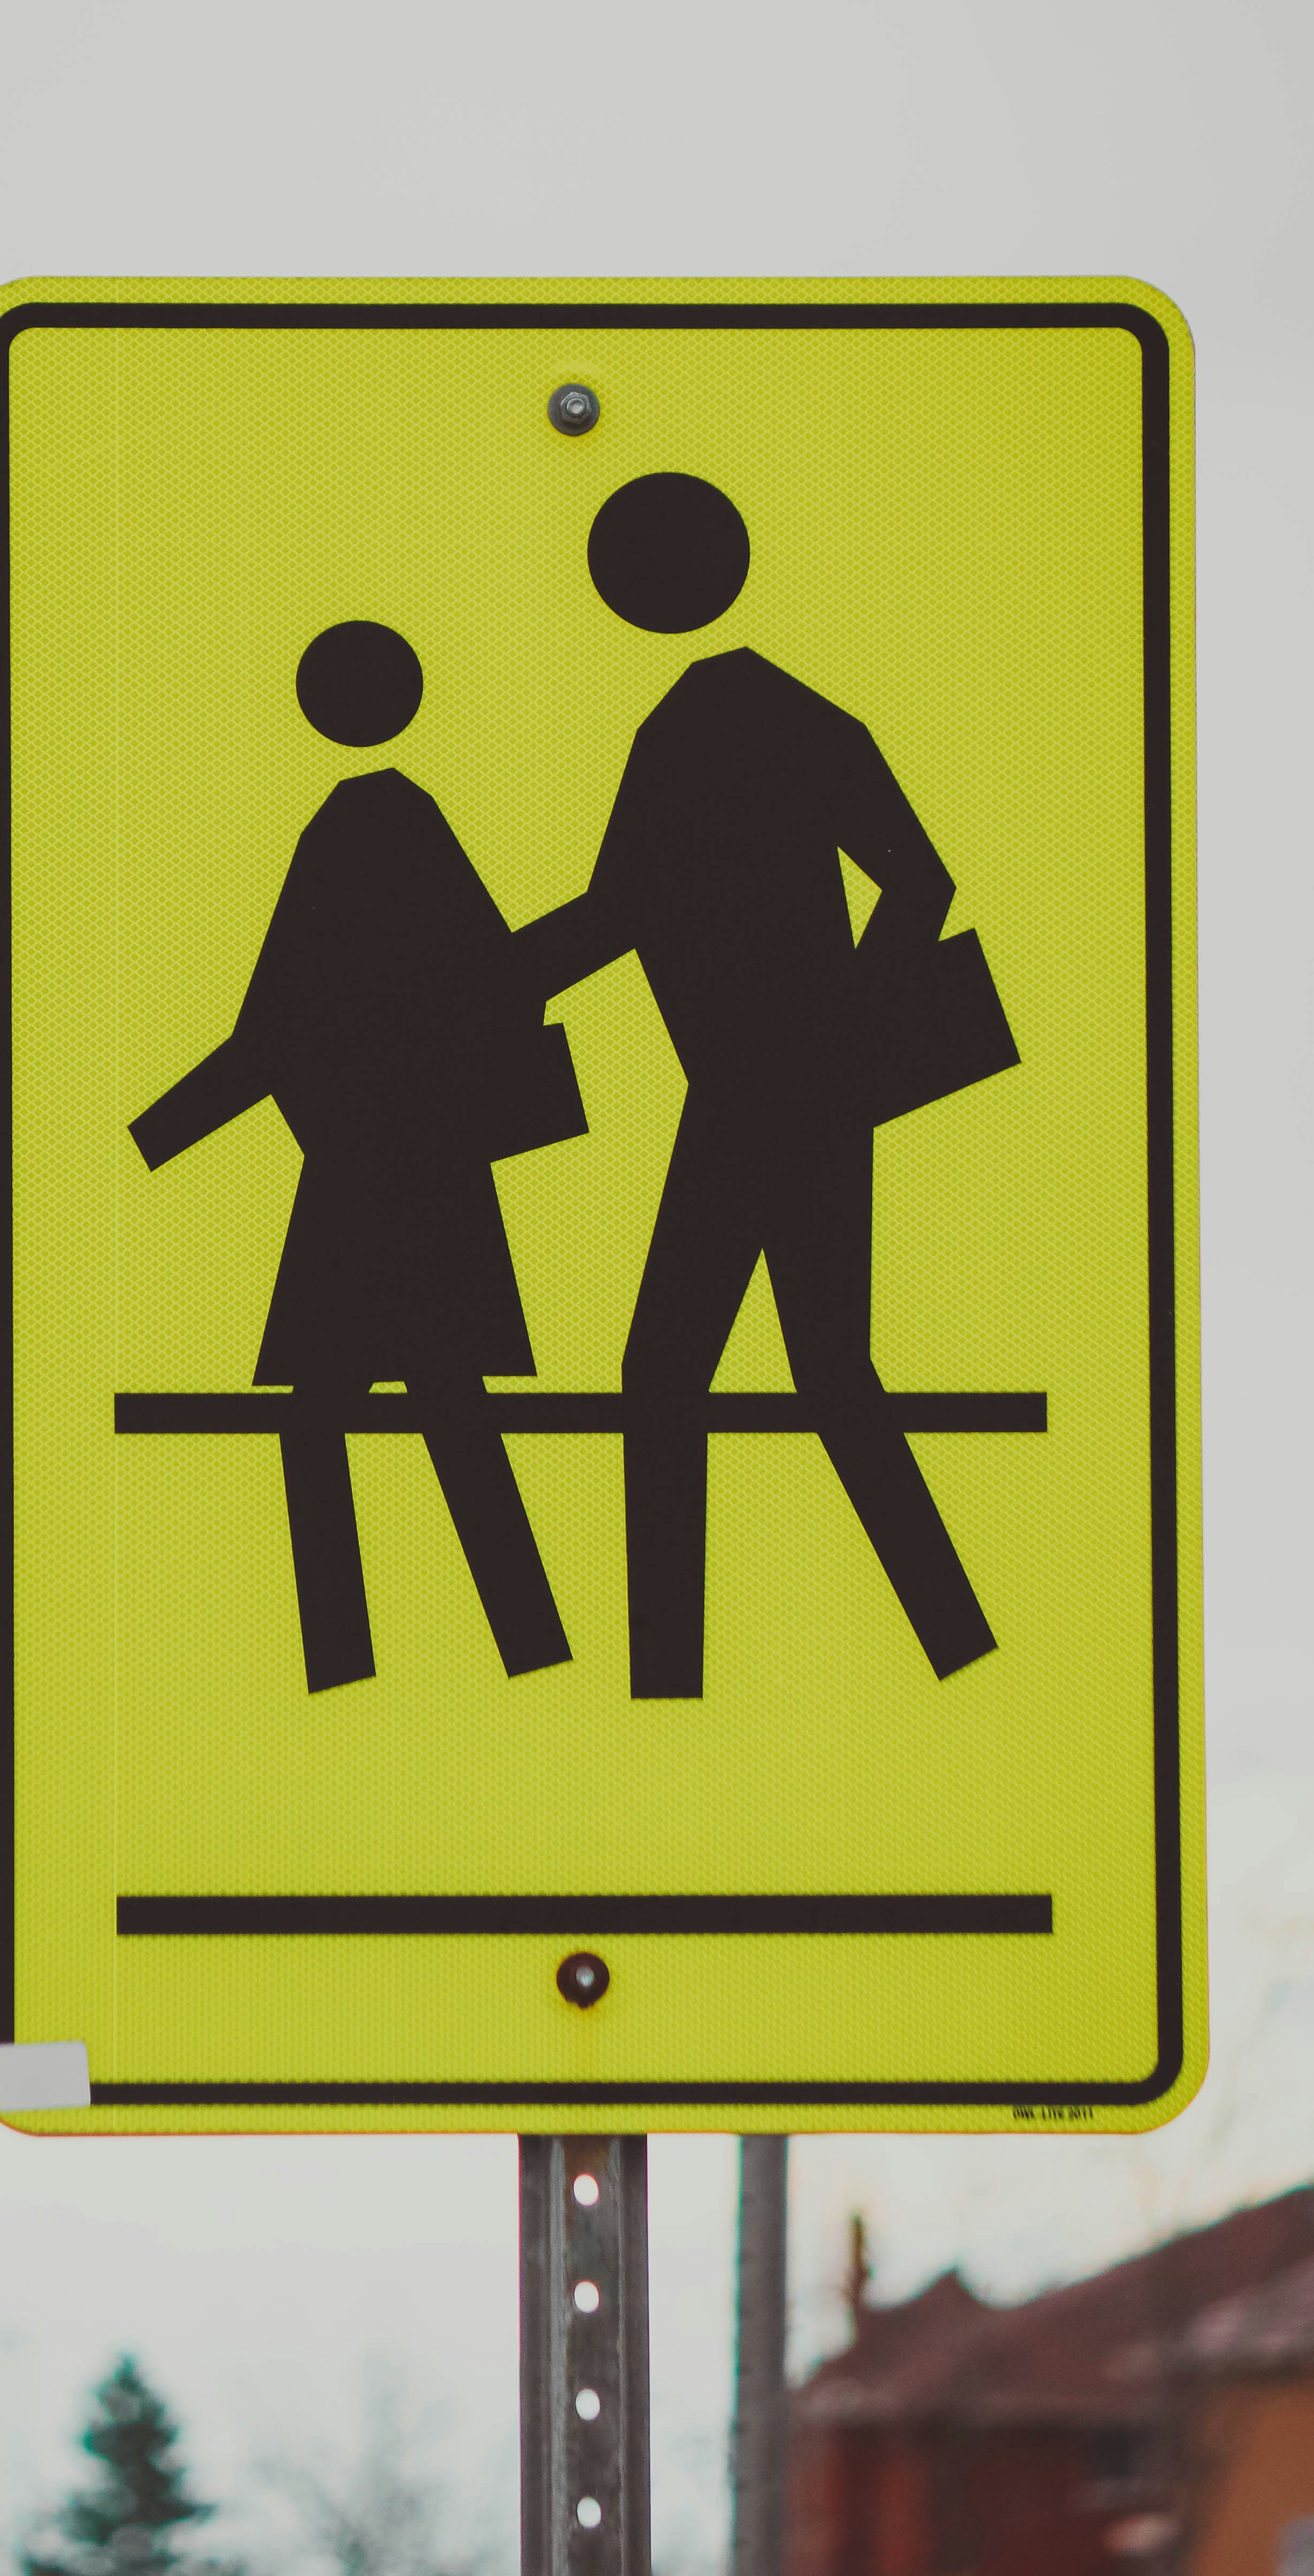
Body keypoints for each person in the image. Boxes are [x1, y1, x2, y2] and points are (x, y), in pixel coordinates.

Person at [517, 473, 999, 1698]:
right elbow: (915, 884)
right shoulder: (771, 718)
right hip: (784, 1097)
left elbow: (619, 914)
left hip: (758, 1098)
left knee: (674, 1377)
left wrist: (479, 983)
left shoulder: (698, 728)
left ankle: (670, 1681)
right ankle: (953, 1644)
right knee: (820, 1377)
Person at [132, 619, 580, 1693]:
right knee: (442, 1414)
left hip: (367, 1188)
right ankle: (523, 1646)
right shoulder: (409, 825)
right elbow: (498, 986)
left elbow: (272, 1032)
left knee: (335, 1418)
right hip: (423, 1183)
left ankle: (351, 1667)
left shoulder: (349, 832)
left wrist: (159, 1137)